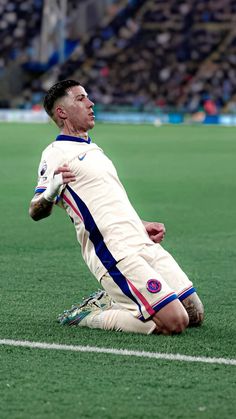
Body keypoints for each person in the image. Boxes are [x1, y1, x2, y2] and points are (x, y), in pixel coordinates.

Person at [29, 79, 204, 335]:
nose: (90, 103)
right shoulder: (56, 152)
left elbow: (105, 202)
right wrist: (51, 192)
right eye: (80, 99)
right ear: (61, 112)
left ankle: (118, 298)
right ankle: (89, 315)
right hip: (114, 250)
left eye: (87, 97)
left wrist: (139, 224)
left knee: (193, 313)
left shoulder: (94, 150)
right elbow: (35, 211)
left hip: (139, 241)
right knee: (175, 322)